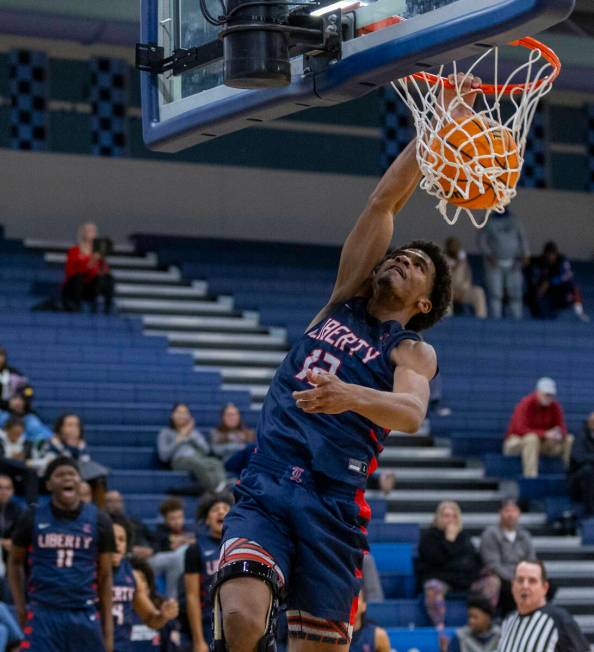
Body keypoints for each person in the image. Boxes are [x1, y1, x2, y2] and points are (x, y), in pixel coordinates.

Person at [212, 75, 476, 652]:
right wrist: (438, 123)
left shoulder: (411, 350)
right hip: (269, 483)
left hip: (334, 506)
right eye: (400, 254)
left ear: (423, 304)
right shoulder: (343, 299)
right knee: (241, 619)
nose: (401, 260)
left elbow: (409, 413)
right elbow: (385, 201)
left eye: (414, 267)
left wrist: (349, 396)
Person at [8, 456, 115, 652]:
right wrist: (22, 608)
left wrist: (108, 630)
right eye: (59, 475)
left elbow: (106, 575)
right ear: (48, 485)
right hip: (43, 611)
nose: (67, 478)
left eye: (72, 474)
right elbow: (14, 563)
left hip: (84, 610)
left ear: (80, 482)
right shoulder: (31, 517)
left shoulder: (100, 520)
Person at [110, 514, 179, 652]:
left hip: (121, 647)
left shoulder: (131, 575)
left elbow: (150, 618)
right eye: (111, 539)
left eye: (122, 540)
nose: (117, 543)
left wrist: (163, 615)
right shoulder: (85, 571)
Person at [417, 502, 482, 631]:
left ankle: (483, 625)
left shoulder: (464, 536)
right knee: (433, 587)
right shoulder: (429, 537)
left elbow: (472, 561)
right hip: (441, 579)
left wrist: (454, 566)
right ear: (438, 518)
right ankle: (440, 629)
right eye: (446, 516)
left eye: (454, 516)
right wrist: (449, 540)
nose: (451, 520)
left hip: (463, 579)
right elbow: (435, 561)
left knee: (491, 583)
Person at [180, 492, 233, 652]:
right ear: (207, 519)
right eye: (215, 509)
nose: (221, 511)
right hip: (210, 622)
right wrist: (198, 640)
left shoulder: (242, 546)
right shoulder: (195, 549)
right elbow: (192, 596)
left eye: (225, 508)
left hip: (239, 618)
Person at [498, 560, 589, 652]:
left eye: (532, 581)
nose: (525, 586)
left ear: (544, 587)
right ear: (513, 585)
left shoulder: (559, 619)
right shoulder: (508, 620)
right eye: (520, 580)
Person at [503, 377, 573, 478]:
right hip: (516, 442)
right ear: (538, 392)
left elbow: (562, 427)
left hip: (541, 444)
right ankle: (531, 478)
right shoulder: (525, 404)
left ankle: (571, 474)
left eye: (551, 395)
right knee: (532, 438)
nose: (548, 397)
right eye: (546, 394)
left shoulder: (555, 406)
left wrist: (558, 433)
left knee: (569, 439)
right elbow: (519, 429)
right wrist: (545, 434)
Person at [479, 498, 536, 616]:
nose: (510, 515)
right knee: (506, 588)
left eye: (514, 511)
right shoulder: (490, 534)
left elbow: (531, 560)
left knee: (547, 586)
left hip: (521, 576)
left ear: (519, 513)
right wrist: (514, 579)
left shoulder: (525, 535)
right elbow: (493, 564)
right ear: (500, 513)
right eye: (507, 511)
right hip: (500, 576)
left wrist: (523, 578)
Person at [158, 403, 226, 493]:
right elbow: (164, 456)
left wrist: (191, 436)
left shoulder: (195, 433)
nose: (182, 416)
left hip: (199, 458)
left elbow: (206, 450)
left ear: (189, 416)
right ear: (172, 415)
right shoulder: (165, 432)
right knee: (196, 463)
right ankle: (216, 491)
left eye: (185, 413)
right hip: (180, 460)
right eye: (179, 412)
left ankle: (223, 486)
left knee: (216, 462)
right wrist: (179, 439)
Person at [477, 208, 529, 319]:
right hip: (494, 264)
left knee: (515, 293)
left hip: (513, 263)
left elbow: (522, 238)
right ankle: (496, 319)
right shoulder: (489, 220)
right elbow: (481, 240)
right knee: (495, 294)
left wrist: (526, 254)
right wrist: (488, 255)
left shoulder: (515, 220)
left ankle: (517, 320)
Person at [526, 241, 589, 322]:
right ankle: (538, 314)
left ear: (556, 254)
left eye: (552, 254)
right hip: (549, 292)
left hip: (562, 289)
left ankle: (579, 313)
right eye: (548, 255)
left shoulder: (562, 261)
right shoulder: (541, 261)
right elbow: (528, 262)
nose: (550, 257)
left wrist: (550, 282)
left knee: (574, 288)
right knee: (534, 294)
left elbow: (567, 276)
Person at [62, 222, 115, 314]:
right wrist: (91, 263)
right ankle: (76, 307)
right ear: (82, 232)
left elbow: (102, 271)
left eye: (94, 231)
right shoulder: (74, 251)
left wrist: (103, 269)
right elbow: (70, 272)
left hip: (92, 286)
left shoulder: (99, 253)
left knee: (108, 278)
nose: (92, 233)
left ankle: (107, 308)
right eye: (89, 230)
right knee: (78, 278)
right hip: (76, 286)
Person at [149, 498, 195, 599]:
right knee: (178, 557)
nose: (177, 521)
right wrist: (184, 541)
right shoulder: (160, 532)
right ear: (165, 519)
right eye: (173, 518)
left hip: (184, 568)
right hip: (160, 564)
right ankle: (172, 599)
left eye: (180, 517)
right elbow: (169, 546)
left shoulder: (189, 531)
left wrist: (181, 541)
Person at [104, 490, 155, 559]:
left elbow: (154, 539)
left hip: (145, 556)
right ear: (104, 504)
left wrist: (151, 550)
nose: (115, 505)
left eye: (118, 501)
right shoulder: (103, 524)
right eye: (111, 501)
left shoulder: (134, 522)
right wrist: (131, 551)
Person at [444, 237, 487, 319]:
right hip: (449, 290)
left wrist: (465, 287)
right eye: (452, 245)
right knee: (444, 293)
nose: (454, 248)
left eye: (456, 246)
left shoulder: (463, 261)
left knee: (478, 292)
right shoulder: (444, 259)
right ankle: (448, 320)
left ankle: (481, 320)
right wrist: (459, 263)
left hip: (463, 291)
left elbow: (467, 275)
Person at [0, 418, 41, 503]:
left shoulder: (28, 444)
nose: (17, 436)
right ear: (7, 430)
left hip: (21, 479)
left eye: (19, 433)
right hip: (3, 474)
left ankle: (32, 504)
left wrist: (21, 463)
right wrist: (14, 460)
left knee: (31, 471)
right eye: (14, 433)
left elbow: (36, 462)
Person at [568, 412, 594, 516]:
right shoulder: (580, 436)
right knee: (588, 471)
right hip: (577, 483)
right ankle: (591, 512)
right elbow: (578, 457)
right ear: (589, 423)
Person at [0, 347, 27, 411]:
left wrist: (22, 400)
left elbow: (27, 390)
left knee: (34, 420)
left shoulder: (14, 373)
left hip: (15, 411)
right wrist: (8, 403)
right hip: (3, 410)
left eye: (1, 355)